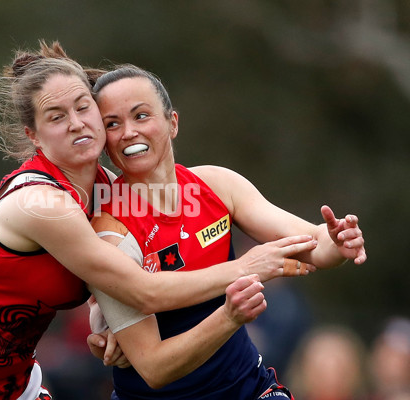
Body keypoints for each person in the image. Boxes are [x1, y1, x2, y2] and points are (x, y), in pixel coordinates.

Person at [0, 41, 319, 400]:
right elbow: (141, 289)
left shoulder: (106, 187)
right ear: (34, 136)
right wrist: (247, 267)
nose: (76, 123)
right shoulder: (40, 203)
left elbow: (117, 271)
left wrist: (106, 323)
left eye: (84, 108)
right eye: (56, 116)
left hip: (13, 382)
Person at [85, 64, 367, 399]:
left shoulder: (216, 184)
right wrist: (229, 317)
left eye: (141, 115)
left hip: (249, 388)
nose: (129, 132)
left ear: (172, 123)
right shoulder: (108, 230)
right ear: (104, 141)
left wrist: (337, 241)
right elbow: (155, 368)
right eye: (113, 124)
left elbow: (310, 245)